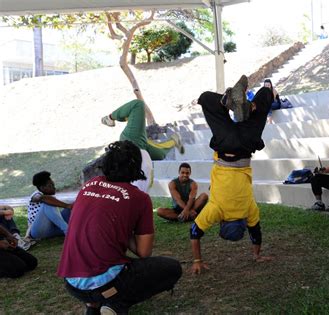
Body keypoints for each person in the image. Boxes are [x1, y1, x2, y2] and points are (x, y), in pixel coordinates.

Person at [57, 140, 182, 314]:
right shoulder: (139, 198)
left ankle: (93, 306)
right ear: (137, 167)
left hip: (71, 283)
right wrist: (126, 228)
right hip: (107, 282)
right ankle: (115, 304)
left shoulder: (89, 185)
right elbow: (144, 252)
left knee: (100, 270)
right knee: (172, 268)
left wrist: (118, 227)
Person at [189, 75, 274, 275]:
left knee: (265, 96)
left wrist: (257, 255)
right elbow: (194, 232)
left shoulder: (248, 210)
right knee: (206, 98)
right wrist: (197, 260)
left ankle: (254, 102)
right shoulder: (216, 211)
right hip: (226, 143)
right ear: (222, 223)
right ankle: (227, 103)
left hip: (247, 143)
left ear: (241, 223)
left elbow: (256, 233)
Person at [101, 99, 184, 160]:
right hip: (138, 147)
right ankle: (110, 118)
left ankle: (111, 118)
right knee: (161, 155)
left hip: (132, 144)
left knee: (138, 105)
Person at [28, 171, 73, 240]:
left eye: (53, 185)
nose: (54, 188)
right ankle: (67, 230)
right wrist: (66, 205)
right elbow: (39, 198)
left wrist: (71, 206)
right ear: (42, 188)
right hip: (38, 231)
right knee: (48, 203)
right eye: (51, 186)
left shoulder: (50, 198)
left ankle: (76, 227)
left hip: (52, 228)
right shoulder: (36, 194)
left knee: (74, 204)